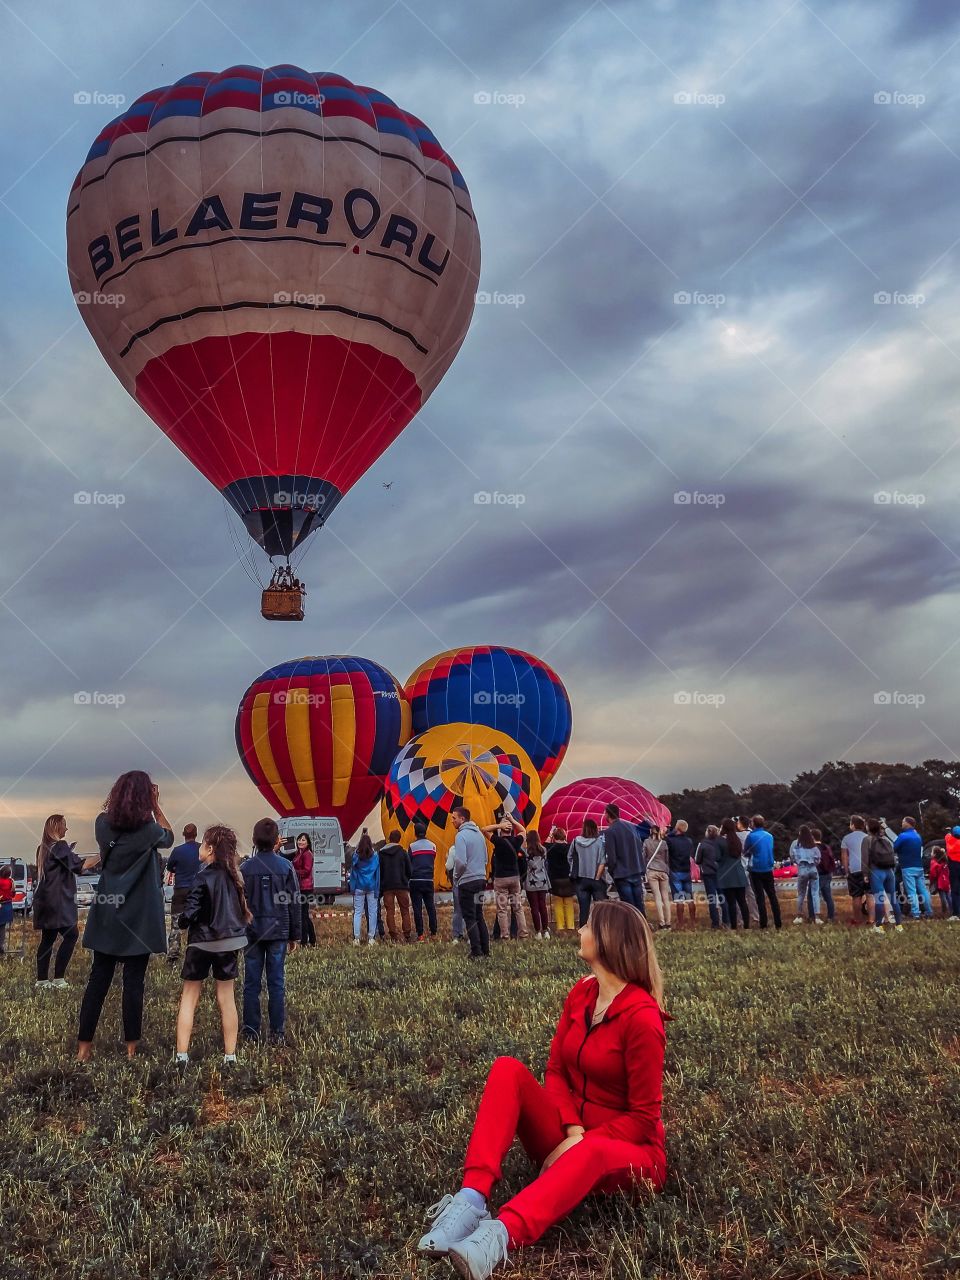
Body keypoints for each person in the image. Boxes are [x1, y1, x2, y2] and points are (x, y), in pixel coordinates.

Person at [415, 900, 667, 1277]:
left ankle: (500, 1236)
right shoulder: (583, 993)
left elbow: (644, 1120)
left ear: (609, 940)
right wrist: (572, 1130)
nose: (579, 931)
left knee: (595, 1151)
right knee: (507, 1070)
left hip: (628, 1150)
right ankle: (471, 1199)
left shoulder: (643, 1019)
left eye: (587, 925)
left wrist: (583, 1144)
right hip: (574, 1132)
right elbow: (556, 1071)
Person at [77, 772, 174, 1061]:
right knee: (134, 983)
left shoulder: (101, 824)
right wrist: (156, 807)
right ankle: (131, 1049)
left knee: (98, 980)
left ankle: (83, 1048)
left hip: (108, 913)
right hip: (138, 918)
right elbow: (169, 837)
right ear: (147, 796)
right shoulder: (149, 830)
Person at [175, 825, 251, 1066]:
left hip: (201, 943)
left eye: (202, 843)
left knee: (189, 996)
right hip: (229, 943)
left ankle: (181, 1056)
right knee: (226, 998)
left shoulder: (201, 877)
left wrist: (181, 921)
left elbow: (191, 912)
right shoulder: (235, 876)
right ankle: (230, 1056)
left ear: (209, 848)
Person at [241, 818, 301, 1044]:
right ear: (277, 840)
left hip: (252, 933)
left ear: (254, 840)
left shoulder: (245, 868)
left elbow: (240, 903)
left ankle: (251, 1031)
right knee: (276, 982)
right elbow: (294, 902)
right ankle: (277, 1032)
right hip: (278, 931)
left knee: (251, 983)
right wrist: (295, 934)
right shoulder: (286, 867)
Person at [33, 814, 96, 986]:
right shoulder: (60, 846)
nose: (67, 829)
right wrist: (103, 854)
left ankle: (42, 980)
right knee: (71, 935)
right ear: (57, 827)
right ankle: (59, 978)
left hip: (45, 901)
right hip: (59, 902)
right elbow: (81, 866)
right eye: (65, 825)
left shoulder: (43, 848)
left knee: (47, 939)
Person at [482, 818, 530, 942]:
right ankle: (523, 934)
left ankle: (505, 935)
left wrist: (499, 825)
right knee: (518, 908)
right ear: (511, 830)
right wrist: (512, 820)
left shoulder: (498, 841)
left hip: (500, 878)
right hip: (515, 878)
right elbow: (523, 830)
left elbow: (484, 829)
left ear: (501, 830)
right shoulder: (516, 841)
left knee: (502, 910)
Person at [452, 807, 491, 960]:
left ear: (462, 819)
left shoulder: (461, 836)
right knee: (479, 914)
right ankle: (485, 949)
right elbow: (486, 858)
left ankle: (476, 951)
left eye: (454, 818)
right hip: (481, 879)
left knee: (469, 917)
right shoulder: (480, 835)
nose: (452, 821)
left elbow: (460, 861)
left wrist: (456, 876)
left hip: (467, 881)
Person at [164, 823, 201, 962]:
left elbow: (170, 867)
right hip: (197, 891)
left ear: (184, 835)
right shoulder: (201, 849)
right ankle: (196, 954)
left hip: (180, 890)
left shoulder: (177, 851)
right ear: (196, 834)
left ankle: (173, 955)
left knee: (176, 923)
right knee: (198, 923)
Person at [600, 807, 646, 916]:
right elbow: (639, 848)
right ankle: (642, 926)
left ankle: (631, 928)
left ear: (607, 814)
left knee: (628, 906)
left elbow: (611, 856)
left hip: (622, 873)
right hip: (636, 870)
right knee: (639, 903)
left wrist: (612, 871)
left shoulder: (610, 831)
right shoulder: (631, 827)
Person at [863, 817, 903, 933]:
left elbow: (865, 858)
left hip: (876, 872)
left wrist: (865, 874)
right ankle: (899, 925)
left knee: (879, 900)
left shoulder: (867, 840)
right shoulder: (886, 839)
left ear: (868, 827)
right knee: (893, 899)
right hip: (889, 871)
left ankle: (879, 926)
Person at [569, 819, 607, 927]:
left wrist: (575, 868)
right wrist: (597, 877)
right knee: (600, 909)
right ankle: (600, 931)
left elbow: (570, 856)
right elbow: (602, 861)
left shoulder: (576, 841)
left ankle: (583, 934)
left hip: (580, 879)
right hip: (596, 878)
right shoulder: (599, 842)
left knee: (583, 909)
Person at [894, 817, 932, 922]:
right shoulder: (918, 836)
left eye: (903, 822)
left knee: (911, 891)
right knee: (923, 890)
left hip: (907, 867)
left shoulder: (903, 836)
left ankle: (916, 913)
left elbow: (894, 847)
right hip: (919, 866)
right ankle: (929, 911)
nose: (901, 824)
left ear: (908, 824)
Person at [379, 830, 413, 942]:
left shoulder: (381, 854)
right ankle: (407, 933)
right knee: (405, 910)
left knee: (390, 911)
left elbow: (380, 871)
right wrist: (405, 880)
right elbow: (409, 870)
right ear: (399, 839)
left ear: (389, 838)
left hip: (387, 886)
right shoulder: (403, 853)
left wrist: (382, 883)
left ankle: (393, 934)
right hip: (401, 885)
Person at [717, 819, 749, 929]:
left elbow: (717, 857)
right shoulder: (737, 840)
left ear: (723, 827)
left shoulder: (720, 841)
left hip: (726, 875)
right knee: (742, 902)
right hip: (739, 874)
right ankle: (747, 925)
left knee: (731, 903)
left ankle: (734, 926)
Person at [349, 832, 381, 945]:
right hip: (371, 887)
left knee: (357, 912)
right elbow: (377, 874)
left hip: (359, 887)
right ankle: (371, 938)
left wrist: (352, 887)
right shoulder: (375, 856)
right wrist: (377, 888)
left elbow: (353, 873)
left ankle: (356, 938)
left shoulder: (356, 857)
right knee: (373, 913)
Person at [409, 823, 438, 941]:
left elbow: (409, 861)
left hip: (415, 880)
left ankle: (420, 934)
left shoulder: (412, 846)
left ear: (415, 833)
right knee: (431, 906)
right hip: (428, 879)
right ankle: (434, 932)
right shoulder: (433, 846)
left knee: (417, 908)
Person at [545, 826, 577, 933]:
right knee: (568, 902)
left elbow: (545, 845)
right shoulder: (569, 847)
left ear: (554, 837)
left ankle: (560, 926)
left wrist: (550, 834)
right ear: (565, 836)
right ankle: (571, 925)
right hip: (568, 878)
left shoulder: (550, 848)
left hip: (555, 879)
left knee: (558, 902)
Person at [694, 826, 726, 928]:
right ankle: (726, 920)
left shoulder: (703, 844)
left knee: (712, 898)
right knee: (723, 897)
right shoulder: (722, 843)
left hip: (708, 873)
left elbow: (697, 860)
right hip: (721, 873)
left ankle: (715, 922)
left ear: (708, 832)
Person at [790, 827, 822, 925]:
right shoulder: (813, 846)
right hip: (813, 869)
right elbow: (818, 859)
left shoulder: (796, 845)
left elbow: (793, 857)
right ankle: (817, 917)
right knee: (815, 893)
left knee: (801, 894)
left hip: (802, 870)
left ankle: (799, 916)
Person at [665, 820, 695, 928]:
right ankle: (692, 921)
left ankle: (681, 922)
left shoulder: (670, 840)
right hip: (686, 870)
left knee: (679, 899)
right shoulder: (689, 841)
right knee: (690, 897)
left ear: (677, 828)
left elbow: (666, 844)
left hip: (675, 871)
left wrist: (667, 833)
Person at [840, 815, 869, 926]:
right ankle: (872, 918)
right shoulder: (867, 837)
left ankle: (857, 919)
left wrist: (847, 870)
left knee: (856, 896)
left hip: (854, 870)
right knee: (870, 895)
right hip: (868, 869)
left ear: (853, 825)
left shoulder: (846, 838)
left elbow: (844, 856)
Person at [523, 830, 551, 939]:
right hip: (543, 881)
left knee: (534, 907)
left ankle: (538, 931)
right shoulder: (543, 850)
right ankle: (546, 930)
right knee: (542, 906)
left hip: (531, 882)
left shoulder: (526, 852)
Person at [642, 827, 670, 930]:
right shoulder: (664, 843)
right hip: (663, 871)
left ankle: (662, 922)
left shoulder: (646, 842)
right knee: (666, 898)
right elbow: (667, 859)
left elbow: (643, 856)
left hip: (652, 870)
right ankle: (668, 922)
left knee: (657, 897)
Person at [292, 833, 316, 946]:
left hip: (305, 887)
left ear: (308, 843)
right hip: (300, 886)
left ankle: (305, 941)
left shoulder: (307, 854)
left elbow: (306, 871)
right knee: (303, 914)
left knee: (303, 914)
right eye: (299, 840)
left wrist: (293, 872)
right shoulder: (298, 853)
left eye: (303, 840)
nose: (300, 842)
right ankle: (311, 939)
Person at [736, 816, 760, 924]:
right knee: (750, 893)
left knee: (739, 895)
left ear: (740, 824)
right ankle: (755, 916)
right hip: (749, 866)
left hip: (740, 866)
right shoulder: (752, 834)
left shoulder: (737, 835)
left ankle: (740, 919)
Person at [809, 829, 836, 923]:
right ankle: (831, 917)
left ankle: (813, 917)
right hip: (827, 874)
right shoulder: (826, 847)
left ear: (812, 837)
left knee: (812, 896)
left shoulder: (813, 848)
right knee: (828, 896)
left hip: (817, 874)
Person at [947, 826, 960, 920]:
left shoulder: (950, 840)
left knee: (955, 891)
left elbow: (947, 836)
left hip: (954, 867)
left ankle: (956, 913)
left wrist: (948, 832)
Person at [0, 866, 13, 956]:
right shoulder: (11, 882)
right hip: (7, 906)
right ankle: (1, 946)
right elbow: (13, 894)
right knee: (2, 928)